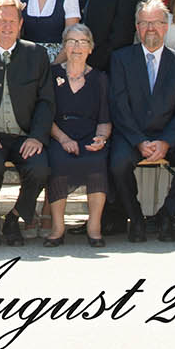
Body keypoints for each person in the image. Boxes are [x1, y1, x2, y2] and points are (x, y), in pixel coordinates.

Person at [108, 0, 175, 242]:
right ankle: (136, 218)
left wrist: (166, 142)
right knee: (118, 164)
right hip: (132, 135)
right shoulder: (120, 59)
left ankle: (166, 215)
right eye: (144, 23)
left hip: (169, 135)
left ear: (166, 26)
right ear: (137, 27)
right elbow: (119, 107)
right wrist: (139, 141)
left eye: (156, 23)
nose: (150, 28)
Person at [0, 0, 55, 246]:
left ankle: (14, 217)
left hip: (25, 136)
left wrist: (37, 136)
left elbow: (46, 101)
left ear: (20, 24)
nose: (7, 26)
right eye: (2, 20)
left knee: (40, 169)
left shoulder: (36, 54)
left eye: (12, 21)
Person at [41, 24, 112, 247]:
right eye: (71, 41)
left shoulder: (100, 78)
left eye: (82, 42)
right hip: (59, 135)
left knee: (97, 161)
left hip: (89, 136)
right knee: (58, 162)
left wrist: (101, 139)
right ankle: (58, 228)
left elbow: (105, 119)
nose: (76, 47)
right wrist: (63, 139)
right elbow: (45, 115)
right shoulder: (52, 75)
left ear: (90, 48)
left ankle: (94, 227)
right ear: (64, 47)